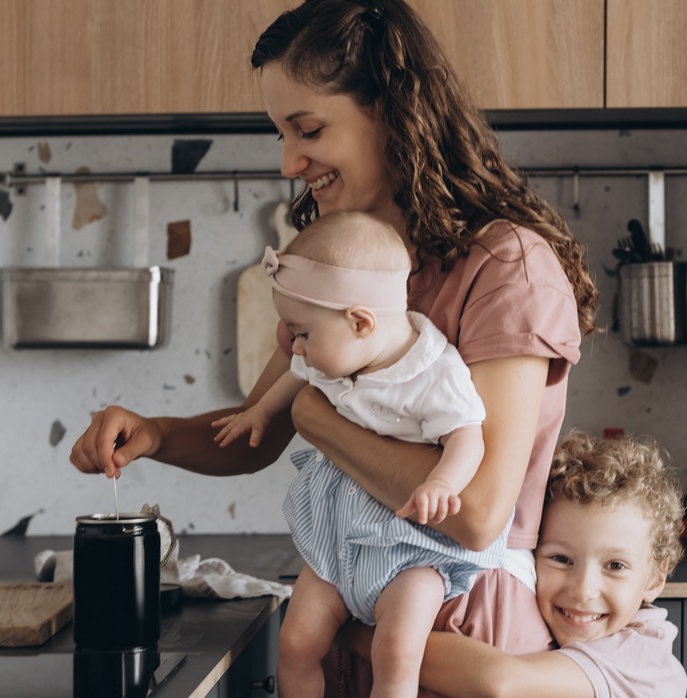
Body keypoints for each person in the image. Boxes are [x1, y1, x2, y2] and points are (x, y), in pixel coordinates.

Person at [70, 0, 598, 693]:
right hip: (355, 623)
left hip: (463, 632)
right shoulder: (338, 266)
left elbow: (474, 514)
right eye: (281, 134)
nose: (290, 162)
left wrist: (316, 418)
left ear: (393, 112)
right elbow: (260, 427)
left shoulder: (504, 267)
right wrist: (154, 434)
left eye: (308, 128)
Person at [211, 209, 507, 697]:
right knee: (297, 641)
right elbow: (294, 377)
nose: (295, 348)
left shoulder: (433, 372)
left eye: (301, 333)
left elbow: (468, 436)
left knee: (397, 654)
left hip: (415, 549)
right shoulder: (336, 352)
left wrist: (442, 483)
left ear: (361, 321)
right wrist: (260, 412)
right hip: (336, 540)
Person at [343, 430, 687, 698]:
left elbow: (500, 682)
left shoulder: (646, 658)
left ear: (656, 578)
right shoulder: (547, 622)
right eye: (561, 559)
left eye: (615, 566)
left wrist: (361, 635)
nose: (583, 590)